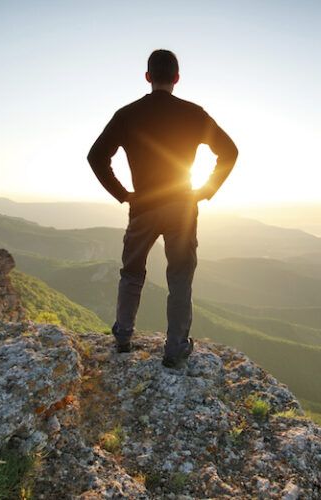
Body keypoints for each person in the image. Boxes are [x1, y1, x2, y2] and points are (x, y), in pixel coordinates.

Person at [87, 49, 238, 368]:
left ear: (147, 77)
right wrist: (206, 190)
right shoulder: (194, 114)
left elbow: (96, 156)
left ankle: (124, 336)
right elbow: (230, 152)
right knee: (180, 277)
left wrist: (124, 195)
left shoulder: (127, 114)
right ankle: (175, 348)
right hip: (182, 207)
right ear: (177, 79)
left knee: (132, 272)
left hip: (143, 207)